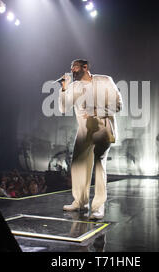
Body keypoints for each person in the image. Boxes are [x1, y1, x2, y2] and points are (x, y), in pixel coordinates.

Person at [59, 59, 122, 220]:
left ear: (85, 67)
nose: (72, 71)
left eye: (75, 68)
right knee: (78, 164)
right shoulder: (73, 87)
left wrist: (96, 110)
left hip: (102, 128)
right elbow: (63, 108)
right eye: (71, 68)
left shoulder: (104, 80)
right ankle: (80, 202)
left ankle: (98, 207)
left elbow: (118, 105)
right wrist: (64, 88)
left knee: (100, 164)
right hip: (83, 131)